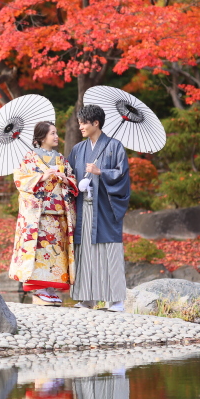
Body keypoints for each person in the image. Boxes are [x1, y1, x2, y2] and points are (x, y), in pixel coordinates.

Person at [68, 104, 131, 312]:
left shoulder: (115, 146)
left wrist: (100, 172)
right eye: (79, 123)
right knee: (85, 250)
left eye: (84, 123)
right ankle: (86, 298)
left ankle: (116, 301)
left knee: (108, 250)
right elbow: (70, 176)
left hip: (105, 207)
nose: (81, 127)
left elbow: (122, 175)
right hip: (83, 208)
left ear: (96, 123)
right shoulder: (78, 149)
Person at [9, 121, 78, 306]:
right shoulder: (30, 158)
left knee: (55, 252)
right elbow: (20, 181)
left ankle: (50, 288)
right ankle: (38, 288)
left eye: (56, 133)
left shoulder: (61, 159)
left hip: (58, 213)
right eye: (52, 133)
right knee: (39, 251)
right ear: (41, 137)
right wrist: (43, 176)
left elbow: (72, 180)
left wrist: (65, 179)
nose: (56, 137)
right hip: (38, 216)